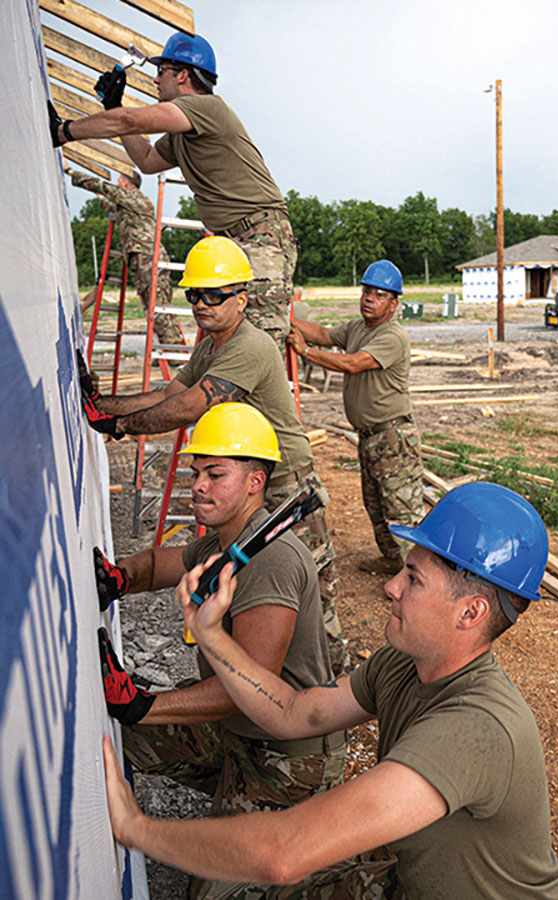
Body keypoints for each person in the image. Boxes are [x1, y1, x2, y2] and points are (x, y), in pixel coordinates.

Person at [103, 482, 558, 900]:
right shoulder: (405, 663)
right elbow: (295, 712)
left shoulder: (476, 730)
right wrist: (211, 636)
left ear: (470, 613)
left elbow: (284, 852)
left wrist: (136, 829)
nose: (390, 587)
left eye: (413, 579)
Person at [97, 402, 346, 900]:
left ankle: (319, 853)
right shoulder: (226, 541)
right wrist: (118, 577)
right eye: (196, 473)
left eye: (216, 474)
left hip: (283, 760)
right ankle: (235, 803)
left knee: (212, 895)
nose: (199, 486)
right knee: (121, 740)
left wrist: (142, 704)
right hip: (233, 733)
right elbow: (156, 565)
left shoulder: (270, 559)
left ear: (255, 482)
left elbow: (245, 688)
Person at [80, 236, 344, 673]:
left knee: (306, 590)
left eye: (213, 295)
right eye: (193, 295)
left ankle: (321, 693)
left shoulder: (250, 346)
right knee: (236, 567)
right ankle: (255, 677)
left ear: (240, 300)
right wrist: (104, 405)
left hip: (282, 484)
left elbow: (188, 407)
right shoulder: (210, 344)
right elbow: (169, 393)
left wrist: (119, 426)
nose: (201, 304)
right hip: (243, 472)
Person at [51, 32, 296, 351]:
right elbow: (147, 161)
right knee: (231, 349)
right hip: (237, 240)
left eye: (161, 70)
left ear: (182, 75)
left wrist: (62, 131)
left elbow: (129, 121)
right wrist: (113, 104)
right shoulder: (184, 131)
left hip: (261, 238)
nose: (155, 79)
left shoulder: (206, 107)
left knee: (261, 350)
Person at [287, 260, 425, 576]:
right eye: (366, 291)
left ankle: (416, 576)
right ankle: (393, 559)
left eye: (378, 294)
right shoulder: (357, 328)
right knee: (375, 505)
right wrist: (287, 319)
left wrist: (305, 352)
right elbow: (322, 333)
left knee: (401, 509)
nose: (369, 298)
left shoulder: (392, 336)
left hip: (392, 437)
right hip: (369, 435)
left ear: (394, 304)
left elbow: (352, 363)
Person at [64, 162, 183, 345]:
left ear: (127, 184)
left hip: (146, 257)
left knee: (156, 306)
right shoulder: (127, 203)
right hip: (146, 257)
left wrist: (69, 171)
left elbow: (103, 188)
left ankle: (172, 350)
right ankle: (170, 347)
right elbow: (106, 199)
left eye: (120, 181)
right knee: (157, 305)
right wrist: (99, 194)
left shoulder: (133, 198)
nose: (118, 185)